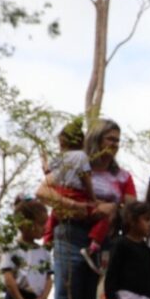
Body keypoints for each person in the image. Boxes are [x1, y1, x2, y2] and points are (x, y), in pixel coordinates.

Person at [39, 119, 135, 299]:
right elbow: (44, 192)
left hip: (105, 243)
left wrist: (113, 210)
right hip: (70, 236)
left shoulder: (122, 177)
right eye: (110, 139)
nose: (114, 144)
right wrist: (84, 208)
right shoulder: (75, 164)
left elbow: (131, 212)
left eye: (118, 140)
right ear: (96, 139)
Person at [40, 116, 106, 273]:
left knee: (54, 216)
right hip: (76, 194)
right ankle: (93, 246)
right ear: (82, 142)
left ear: (62, 142)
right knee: (104, 215)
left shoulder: (59, 158)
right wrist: (93, 199)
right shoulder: (81, 156)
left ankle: (46, 244)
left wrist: (44, 162)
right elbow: (86, 179)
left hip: (60, 192)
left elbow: (49, 174)